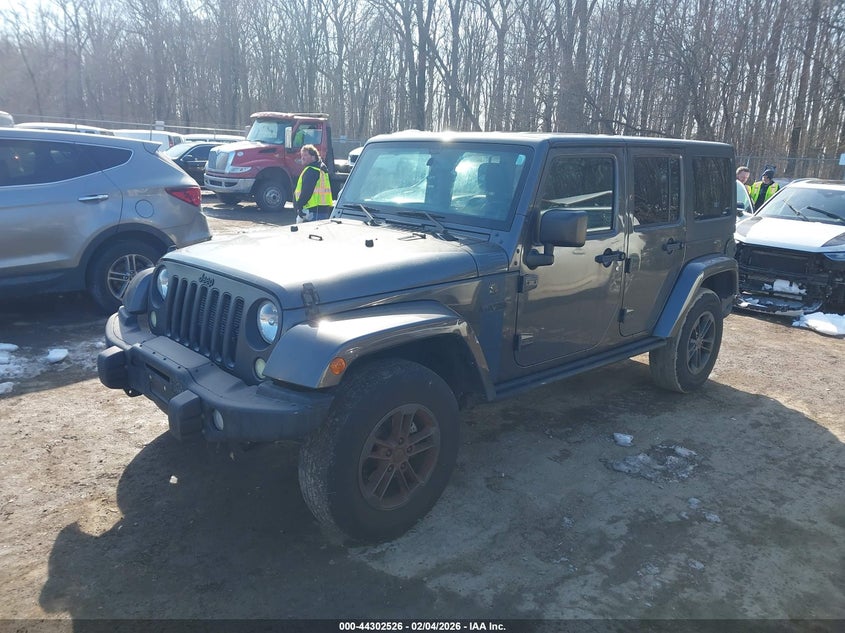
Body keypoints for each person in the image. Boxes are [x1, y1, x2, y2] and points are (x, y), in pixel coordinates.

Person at [294, 144, 333, 222]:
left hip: (312, 211)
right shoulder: (321, 168)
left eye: (305, 155)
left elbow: (307, 191)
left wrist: (299, 206)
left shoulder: (312, 170)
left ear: (313, 156)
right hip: (322, 210)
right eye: (302, 155)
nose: (302, 158)